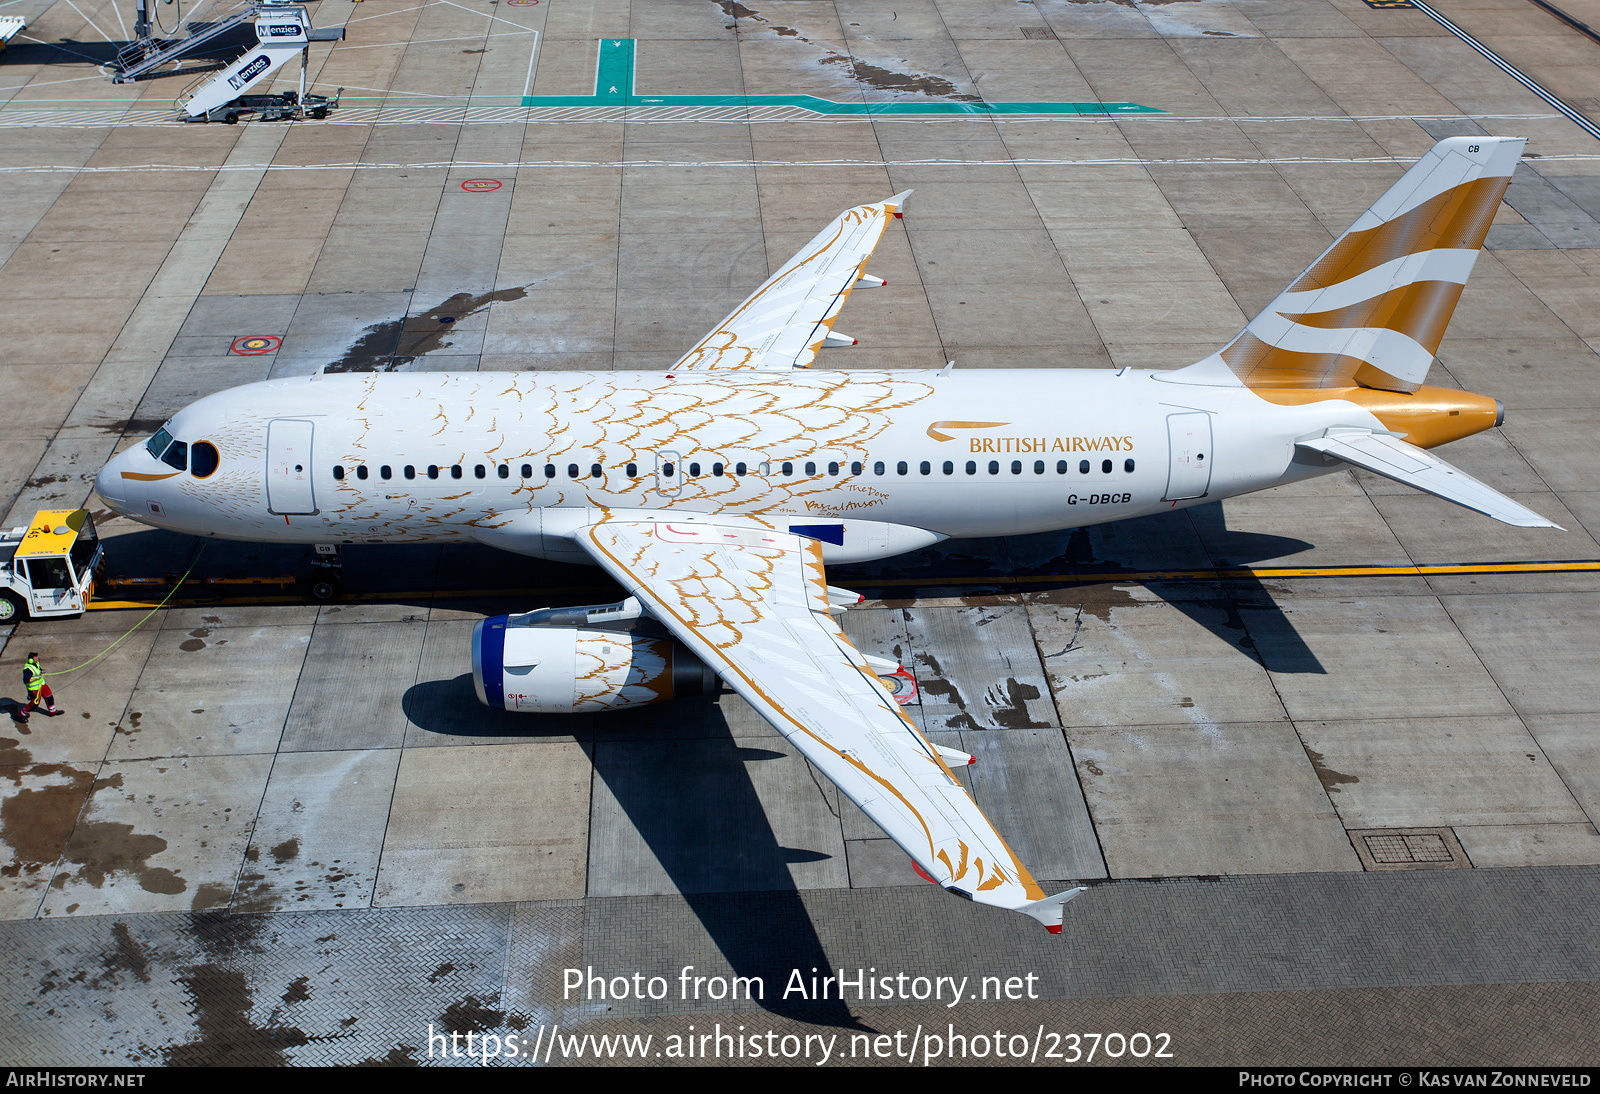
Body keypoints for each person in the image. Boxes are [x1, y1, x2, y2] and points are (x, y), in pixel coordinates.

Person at [21, 652, 60, 720]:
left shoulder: (36, 663)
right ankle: (22, 714)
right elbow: (26, 681)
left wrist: (41, 672)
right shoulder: (28, 669)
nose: (37, 659)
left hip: (41, 684)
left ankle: (52, 711)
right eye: (36, 658)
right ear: (31, 660)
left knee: (49, 697)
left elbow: (38, 670)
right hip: (34, 688)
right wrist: (37, 677)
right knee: (34, 704)